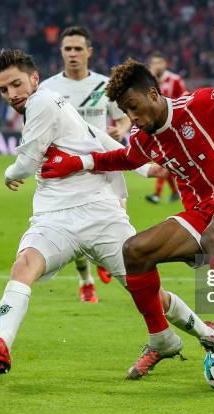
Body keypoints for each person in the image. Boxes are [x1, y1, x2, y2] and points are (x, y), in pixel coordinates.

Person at [41, 18, 214, 378]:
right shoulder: (143, 136)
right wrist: (78, 162)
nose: (132, 117)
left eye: (135, 107)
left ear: (154, 94)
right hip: (202, 212)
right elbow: (124, 158)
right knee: (135, 251)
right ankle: (161, 339)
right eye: (126, 112)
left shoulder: (200, 104)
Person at [0, 48, 214, 376]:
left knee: (149, 294)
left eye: (16, 84)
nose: (11, 94)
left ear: (33, 78)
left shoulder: (41, 102)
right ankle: (2, 345)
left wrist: (9, 174)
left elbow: (28, 162)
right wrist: (145, 170)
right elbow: (96, 136)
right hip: (55, 216)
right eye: (3, 90)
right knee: (24, 265)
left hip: (98, 214)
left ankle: (205, 333)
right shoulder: (54, 100)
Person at [40, 26, 132, 302]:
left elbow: (125, 115)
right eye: (67, 49)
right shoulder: (48, 89)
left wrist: (121, 129)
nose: (72, 54)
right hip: (67, 170)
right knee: (75, 228)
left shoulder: (105, 85)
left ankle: (104, 260)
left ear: (89, 52)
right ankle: (85, 279)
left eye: (78, 48)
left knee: (118, 219)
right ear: (61, 52)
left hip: (103, 165)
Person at [145, 51, 186, 205]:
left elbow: (184, 98)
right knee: (165, 160)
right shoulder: (147, 82)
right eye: (154, 63)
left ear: (165, 64)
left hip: (172, 126)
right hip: (153, 126)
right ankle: (176, 192)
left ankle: (157, 194)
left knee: (164, 159)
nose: (157, 66)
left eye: (159, 63)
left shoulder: (175, 80)